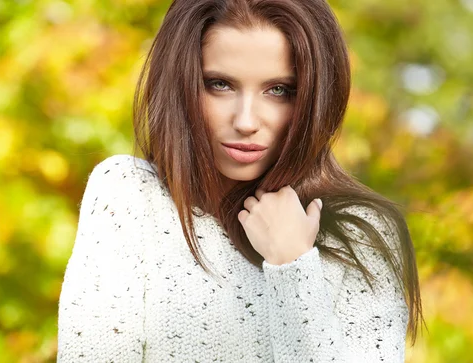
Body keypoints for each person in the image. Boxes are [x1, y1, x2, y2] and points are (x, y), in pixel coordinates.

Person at [57, 0, 424, 361]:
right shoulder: (129, 194)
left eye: (279, 90)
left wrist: (294, 266)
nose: (246, 121)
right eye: (220, 84)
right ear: (180, 84)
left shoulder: (360, 233)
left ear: (315, 96)